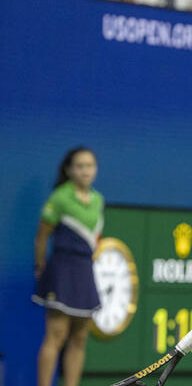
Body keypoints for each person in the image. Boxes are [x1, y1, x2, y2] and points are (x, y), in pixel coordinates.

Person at [32, 147, 104, 386]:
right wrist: (40, 267)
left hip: (85, 271)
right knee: (56, 335)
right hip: (62, 270)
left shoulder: (98, 200)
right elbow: (42, 237)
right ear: (69, 170)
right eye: (80, 166)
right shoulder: (59, 197)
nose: (85, 171)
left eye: (90, 166)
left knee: (80, 337)